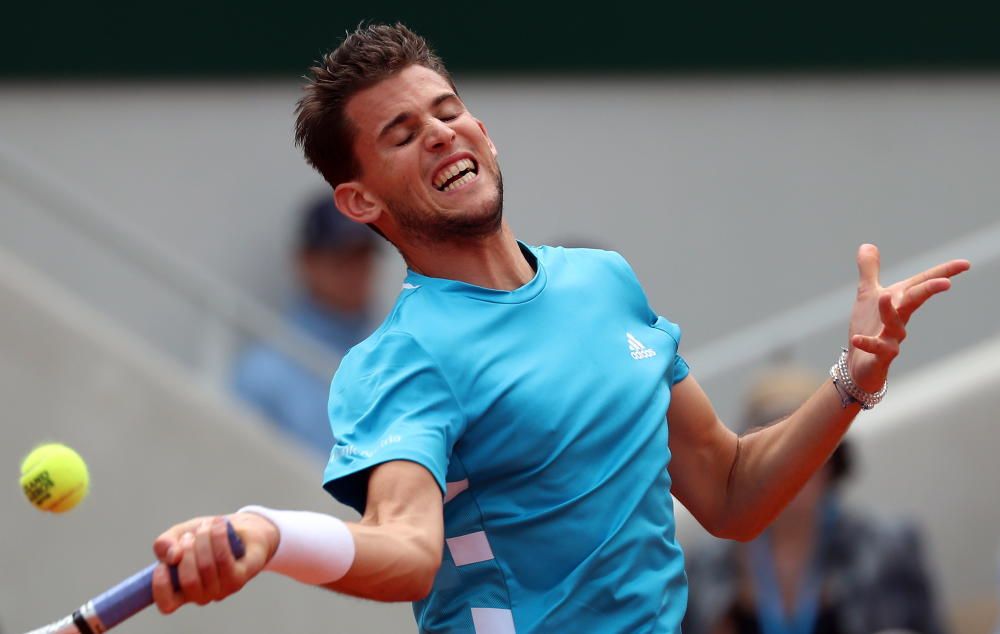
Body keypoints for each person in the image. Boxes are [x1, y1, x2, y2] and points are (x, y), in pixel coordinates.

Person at [149, 23, 969, 633]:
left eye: (447, 110)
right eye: (402, 134)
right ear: (361, 202)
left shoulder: (603, 282)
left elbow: (727, 490)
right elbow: (405, 551)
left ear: (483, 131)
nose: (439, 132)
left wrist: (856, 374)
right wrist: (269, 532)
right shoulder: (398, 362)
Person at [683, 365, 945, 634]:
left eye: (808, 450)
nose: (792, 469)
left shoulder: (888, 547)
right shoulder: (704, 565)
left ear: (833, 461)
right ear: (748, 469)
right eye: (775, 456)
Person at [230, 194, 377, 456]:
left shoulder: (390, 357)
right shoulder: (267, 372)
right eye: (341, 259)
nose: (354, 273)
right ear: (306, 261)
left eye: (362, 258)